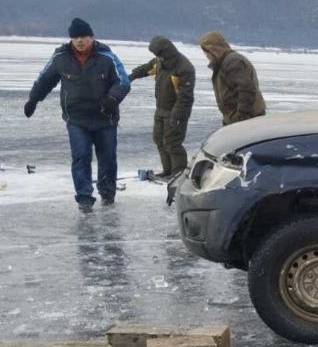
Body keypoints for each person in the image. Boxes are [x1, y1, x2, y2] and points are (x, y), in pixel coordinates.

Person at [23, 17, 131, 211]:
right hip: (76, 118)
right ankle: (84, 197)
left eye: (83, 36)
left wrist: (112, 99)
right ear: (70, 39)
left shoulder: (106, 56)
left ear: (91, 37)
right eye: (75, 37)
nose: (79, 40)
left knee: (107, 158)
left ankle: (107, 194)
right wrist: (33, 99)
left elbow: (123, 81)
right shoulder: (60, 57)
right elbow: (45, 79)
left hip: (104, 117)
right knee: (80, 156)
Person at [129, 36, 195, 181]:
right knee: (159, 139)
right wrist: (131, 76)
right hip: (160, 109)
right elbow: (146, 69)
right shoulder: (160, 62)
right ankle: (168, 171)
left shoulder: (184, 68)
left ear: (166, 51)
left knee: (172, 142)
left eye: (158, 54)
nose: (157, 57)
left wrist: (177, 117)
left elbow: (185, 97)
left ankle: (178, 176)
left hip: (176, 111)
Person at [197, 31, 265, 125]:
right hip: (237, 119)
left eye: (206, 53)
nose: (206, 56)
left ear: (213, 50)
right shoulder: (225, 61)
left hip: (246, 121)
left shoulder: (232, 62)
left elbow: (246, 89)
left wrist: (242, 118)